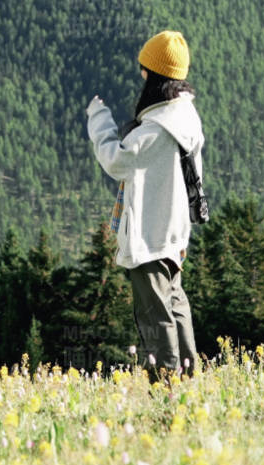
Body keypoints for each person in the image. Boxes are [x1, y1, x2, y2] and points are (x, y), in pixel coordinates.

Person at [85, 30, 205, 382]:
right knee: (176, 304)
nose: (141, 75)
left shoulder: (154, 131)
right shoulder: (186, 116)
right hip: (173, 232)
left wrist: (98, 118)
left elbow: (115, 161)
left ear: (155, 76)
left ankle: (167, 387)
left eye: (145, 70)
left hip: (148, 235)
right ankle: (188, 379)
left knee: (155, 315)